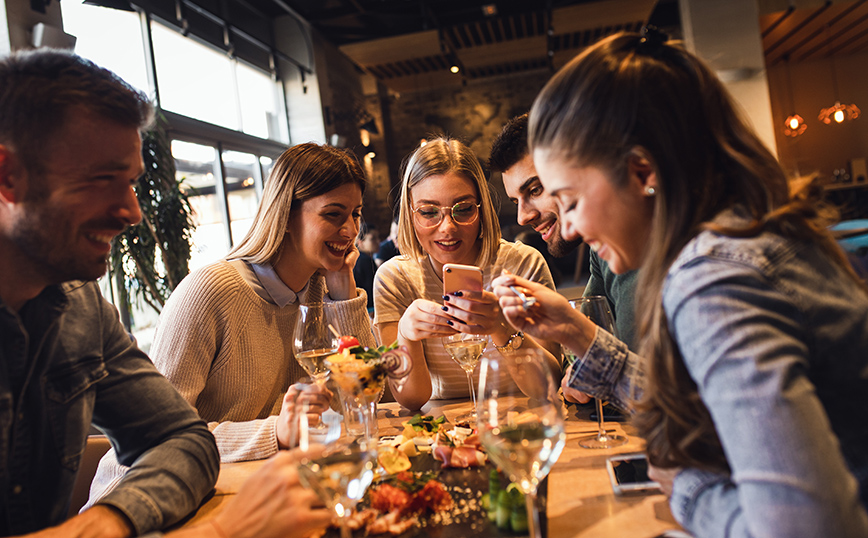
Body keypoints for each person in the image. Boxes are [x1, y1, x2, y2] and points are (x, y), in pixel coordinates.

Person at [494, 29, 868, 537]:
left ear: (643, 169)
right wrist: (574, 329)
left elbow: (806, 528)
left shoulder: (715, 280)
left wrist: (690, 491)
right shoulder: (748, 234)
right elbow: (712, 409)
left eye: (573, 201)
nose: (572, 228)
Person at [0, 49, 332, 538]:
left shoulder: (80, 307)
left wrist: (112, 520)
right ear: (8, 176)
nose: (133, 212)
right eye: (103, 180)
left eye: (132, 182)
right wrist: (221, 533)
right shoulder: (212, 288)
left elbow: (183, 438)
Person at [88, 142, 377, 504]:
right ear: (286, 215)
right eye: (334, 214)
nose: (351, 230)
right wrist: (275, 431)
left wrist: (345, 295)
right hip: (143, 504)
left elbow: (366, 399)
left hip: (243, 492)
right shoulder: (210, 291)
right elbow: (157, 442)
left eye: (355, 214)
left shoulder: (321, 290)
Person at [373, 137, 561, 410]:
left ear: (481, 207)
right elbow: (412, 399)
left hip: (520, 422)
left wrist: (500, 327)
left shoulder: (522, 264)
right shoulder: (394, 279)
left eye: (463, 210)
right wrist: (406, 334)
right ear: (410, 214)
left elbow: (548, 385)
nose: (447, 227)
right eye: (428, 212)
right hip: (443, 432)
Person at [490, 113, 642, 406]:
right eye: (514, 202)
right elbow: (588, 355)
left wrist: (577, 335)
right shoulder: (600, 251)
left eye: (535, 190)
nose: (522, 217)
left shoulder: (700, 260)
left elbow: (697, 405)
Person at [353, 222, 379, 312]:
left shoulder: (357, 258)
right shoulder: (365, 260)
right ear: (360, 243)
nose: (378, 241)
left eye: (377, 238)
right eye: (373, 239)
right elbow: (373, 292)